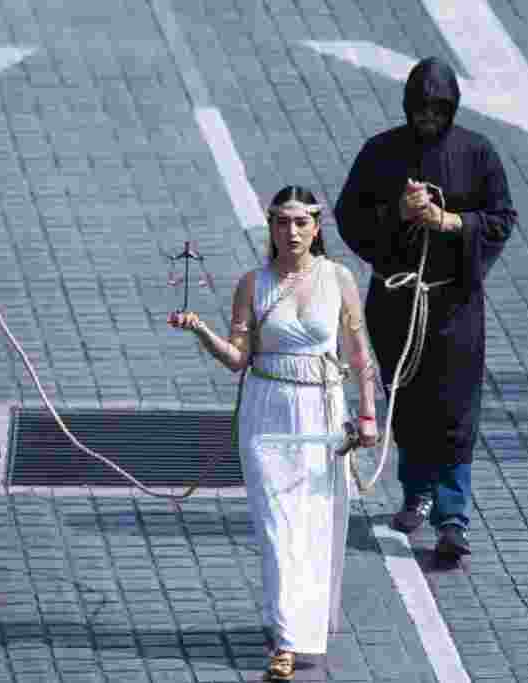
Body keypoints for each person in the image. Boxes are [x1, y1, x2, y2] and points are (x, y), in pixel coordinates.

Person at [168, 186, 379, 681]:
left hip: (322, 410)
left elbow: (358, 350)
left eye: (301, 222)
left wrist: (367, 415)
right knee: (276, 525)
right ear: (271, 227)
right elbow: (238, 358)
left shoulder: (338, 278)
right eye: (283, 223)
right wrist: (202, 331)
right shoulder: (253, 283)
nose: (293, 232)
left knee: (314, 520)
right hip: (267, 414)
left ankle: (301, 623)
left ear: (316, 225)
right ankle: (286, 641)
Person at [334, 57, 516, 560]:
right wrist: (397, 214)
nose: (430, 118)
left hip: (454, 302)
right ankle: (417, 493)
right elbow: (349, 216)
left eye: (440, 109)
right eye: (423, 109)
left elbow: (500, 219)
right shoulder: (381, 152)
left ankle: (453, 517)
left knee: (456, 409)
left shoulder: (478, 153)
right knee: (408, 402)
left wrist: (449, 222)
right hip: (397, 300)